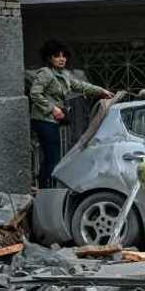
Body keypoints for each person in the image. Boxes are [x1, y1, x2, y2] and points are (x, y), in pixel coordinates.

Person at [28, 40, 112, 189]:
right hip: (43, 119)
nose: (62, 59)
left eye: (64, 56)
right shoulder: (46, 73)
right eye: (57, 56)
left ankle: (44, 187)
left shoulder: (64, 74)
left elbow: (80, 85)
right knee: (52, 157)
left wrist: (101, 91)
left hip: (52, 120)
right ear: (49, 58)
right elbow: (34, 94)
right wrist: (52, 108)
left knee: (51, 157)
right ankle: (46, 190)